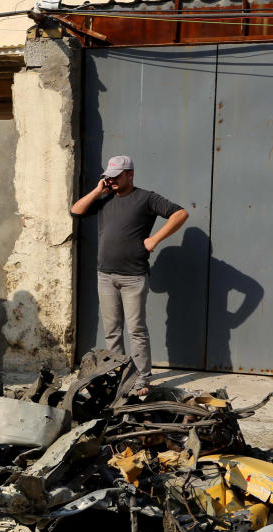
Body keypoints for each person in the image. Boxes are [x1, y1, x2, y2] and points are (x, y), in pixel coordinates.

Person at [71, 155, 188, 396]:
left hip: (133, 276)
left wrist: (155, 239)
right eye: (108, 177)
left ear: (130, 174)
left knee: (136, 330)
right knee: (112, 331)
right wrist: (97, 190)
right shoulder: (104, 200)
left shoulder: (146, 198)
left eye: (116, 176)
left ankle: (141, 380)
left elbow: (180, 214)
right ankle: (116, 375)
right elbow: (76, 210)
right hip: (105, 276)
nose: (111, 181)